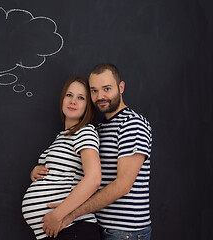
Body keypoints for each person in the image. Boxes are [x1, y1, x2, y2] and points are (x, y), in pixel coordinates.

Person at [42, 63, 152, 240]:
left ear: (121, 87)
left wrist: (71, 214)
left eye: (106, 89)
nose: (100, 96)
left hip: (125, 232)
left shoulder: (132, 124)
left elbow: (122, 186)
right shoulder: (99, 128)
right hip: (100, 227)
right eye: (94, 91)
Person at [22, 76, 102, 240]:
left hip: (73, 229)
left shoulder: (85, 131)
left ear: (88, 106)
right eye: (69, 95)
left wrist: (58, 215)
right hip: (61, 232)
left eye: (81, 98)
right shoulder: (63, 136)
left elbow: (94, 178)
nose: (73, 101)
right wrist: (37, 171)